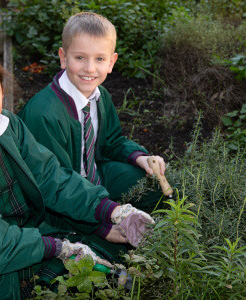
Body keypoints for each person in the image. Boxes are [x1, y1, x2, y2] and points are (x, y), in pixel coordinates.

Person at [0, 40, 155, 299]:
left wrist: (114, 211)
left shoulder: (9, 126)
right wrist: (56, 247)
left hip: (27, 234)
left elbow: (51, 177)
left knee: (106, 254)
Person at [19, 12, 167, 212]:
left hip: (95, 174)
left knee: (155, 187)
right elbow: (52, 182)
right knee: (106, 240)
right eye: (80, 57)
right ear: (63, 58)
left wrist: (139, 157)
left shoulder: (100, 96)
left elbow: (112, 142)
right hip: (61, 196)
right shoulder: (44, 114)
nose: (89, 68)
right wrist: (106, 211)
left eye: (99, 59)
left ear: (111, 62)